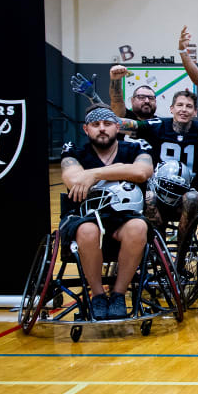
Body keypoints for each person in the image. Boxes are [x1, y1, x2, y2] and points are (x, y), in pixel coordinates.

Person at [59, 105, 155, 320]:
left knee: (139, 227)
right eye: (95, 125)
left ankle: (119, 294)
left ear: (117, 127)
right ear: (86, 129)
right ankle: (98, 295)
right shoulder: (74, 151)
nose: (102, 129)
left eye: (107, 124)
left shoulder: (135, 147)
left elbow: (142, 172)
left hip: (124, 216)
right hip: (83, 216)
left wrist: (93, 175)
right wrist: (121, 170)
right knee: (87, 231)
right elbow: (73, 179)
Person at [115, 89, 198, 236]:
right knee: (148, 198)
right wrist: (99, 109)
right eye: (179, 105)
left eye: (189, 106)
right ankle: (159, 251)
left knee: (191, 198)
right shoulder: (157, 126)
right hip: (158, 190)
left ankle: (181, 255)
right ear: (171, 109)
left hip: (191, 190)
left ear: (195, 112)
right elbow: (125, 124)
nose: (183, 109)